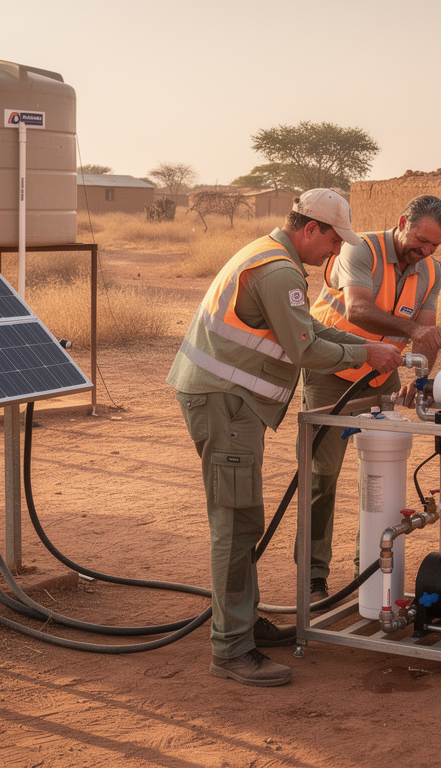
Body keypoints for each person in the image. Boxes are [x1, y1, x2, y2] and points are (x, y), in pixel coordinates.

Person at [166, 189, 403, 687]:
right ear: (311, 229)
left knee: (243, 517)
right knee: (234, 523)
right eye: (334, 241)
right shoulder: (280, 272)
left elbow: (311, 328)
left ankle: (243, 621)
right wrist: (366, 355)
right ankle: (231, 648)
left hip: (227, 400)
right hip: (225, 403)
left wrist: (368, 346)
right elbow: (305, 348)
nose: (336, 253)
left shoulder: (271, 258)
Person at [303, 195, 441, 601]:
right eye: (421, 240)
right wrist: (413, 333)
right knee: (323, 477)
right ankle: (314, 576)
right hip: (330, 371)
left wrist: (419, 379)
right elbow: (357, 309)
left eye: (435, 246)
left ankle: (366, 573)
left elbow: (428, 332)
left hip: (380, 376)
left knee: (380, 478)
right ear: (402, 221)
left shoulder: (430, 271)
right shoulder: (360, 248)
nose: (425, 251)